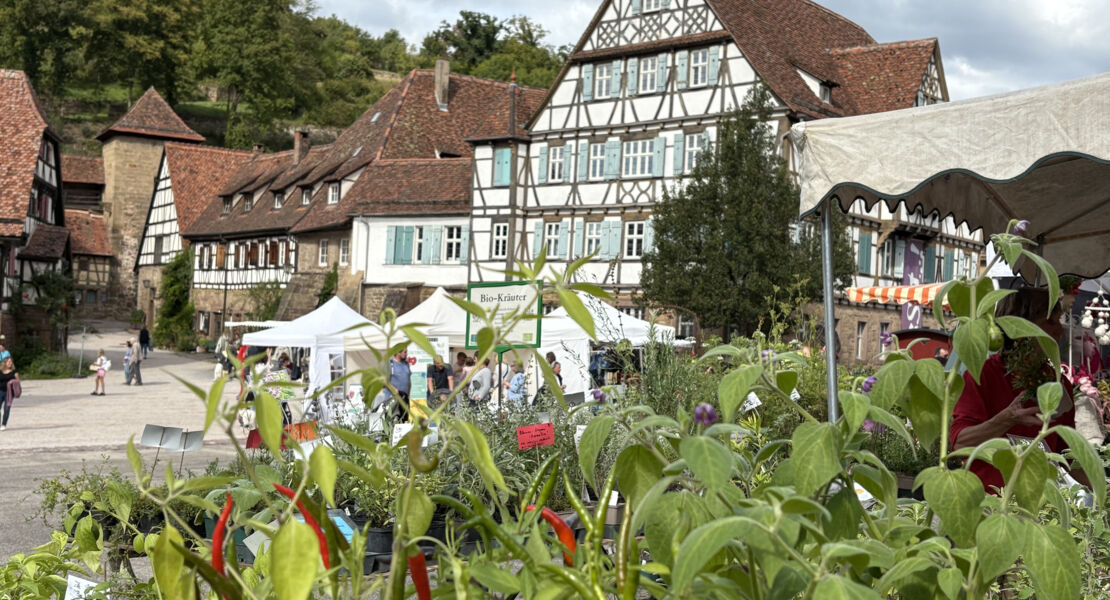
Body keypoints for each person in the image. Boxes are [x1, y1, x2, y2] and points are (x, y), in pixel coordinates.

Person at [951, 288, 1085, 493]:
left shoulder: (1058, 384)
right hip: (989, 501)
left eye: (1059, 321)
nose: (1060, 331)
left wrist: (1102, 488)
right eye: (1050, 322)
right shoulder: (982, 375)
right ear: (1020, 326)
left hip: (1039, 502)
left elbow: (1068, 454)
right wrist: (1006, 419)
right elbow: (960, 444)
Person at [387, 349, 412, 421]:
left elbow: (409, 380)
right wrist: (394, 390)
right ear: (398, 352)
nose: (407, 353)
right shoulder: (390, 364)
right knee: (395, 420)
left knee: (404, 419)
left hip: (405, 398)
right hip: (394, 398)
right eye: (405, 352)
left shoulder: (406, 364)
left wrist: (408, 394)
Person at [0, 357, 19, 430]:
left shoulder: (14, 372)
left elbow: (18, 381)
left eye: (11, 362)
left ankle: (4, 424)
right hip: (0, 391)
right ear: (4, 363)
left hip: (9, 393)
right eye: (8, 362)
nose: (10, 363)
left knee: (7, 409)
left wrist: (13, 381)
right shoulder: (0, 371)